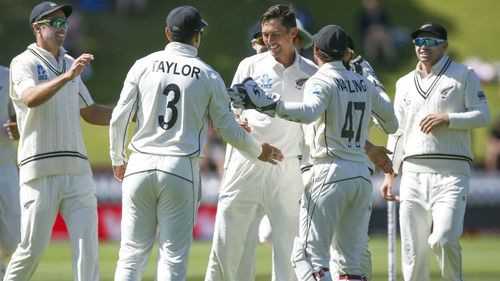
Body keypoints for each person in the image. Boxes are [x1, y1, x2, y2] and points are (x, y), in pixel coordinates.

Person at [109, 6, 283, 281]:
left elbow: (118, 117)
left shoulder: (142, 65)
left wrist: (118, 159)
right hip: (180, 168)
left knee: (130, 255)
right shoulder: (208, 75)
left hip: (140, 163)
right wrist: (257, 150)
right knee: (173, 258)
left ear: (168, 34)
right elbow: (227, 128)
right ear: (198, 36)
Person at [228, 24, 397, 281]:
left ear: (317, 50)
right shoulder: (364, 82)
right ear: (346, 53)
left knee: (306, 257)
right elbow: (392, 124)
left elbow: (308, 113)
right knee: (351, 265)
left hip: (327, 173)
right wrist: (374, 82)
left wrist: (269, 104)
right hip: (361, 178)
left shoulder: (320, 78)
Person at [205, 4, 318, 281]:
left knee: (289, 248)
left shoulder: (312, 73)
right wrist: (237, 123)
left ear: (293, 34)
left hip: (286, 167)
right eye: (265, 34)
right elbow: (228, 114)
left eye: (275, 34)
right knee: (228, 239)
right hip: (247, 160)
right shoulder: (250, 65)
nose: (269, 41)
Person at [4, 2, 113, 280]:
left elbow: (90, 112)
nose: (62, 28)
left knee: (87, 249)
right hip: (40, 172)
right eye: (54, 23)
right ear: (37, 28)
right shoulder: (23, 62)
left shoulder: (69, 63)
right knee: (31, 249)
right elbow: (29, 98)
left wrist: (131, 114)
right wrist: (66, 77)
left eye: (64, 23)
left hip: (77, 171)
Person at [379, 22, 491, 281]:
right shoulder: (404, 83)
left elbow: (483, 115)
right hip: (413, 176)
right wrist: (390, 173)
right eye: (419, 41)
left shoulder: (464, 74)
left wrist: (448, 119)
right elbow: (397, 131)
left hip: (452, 174)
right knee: (413, 253)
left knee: (443, 239)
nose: (423, 47)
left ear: (444, 45)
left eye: (430, 41)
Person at [0, 65, 20, 280]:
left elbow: (22, 116)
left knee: (14, 238)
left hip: (4, 163)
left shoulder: (8, 76)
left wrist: (17, 128)